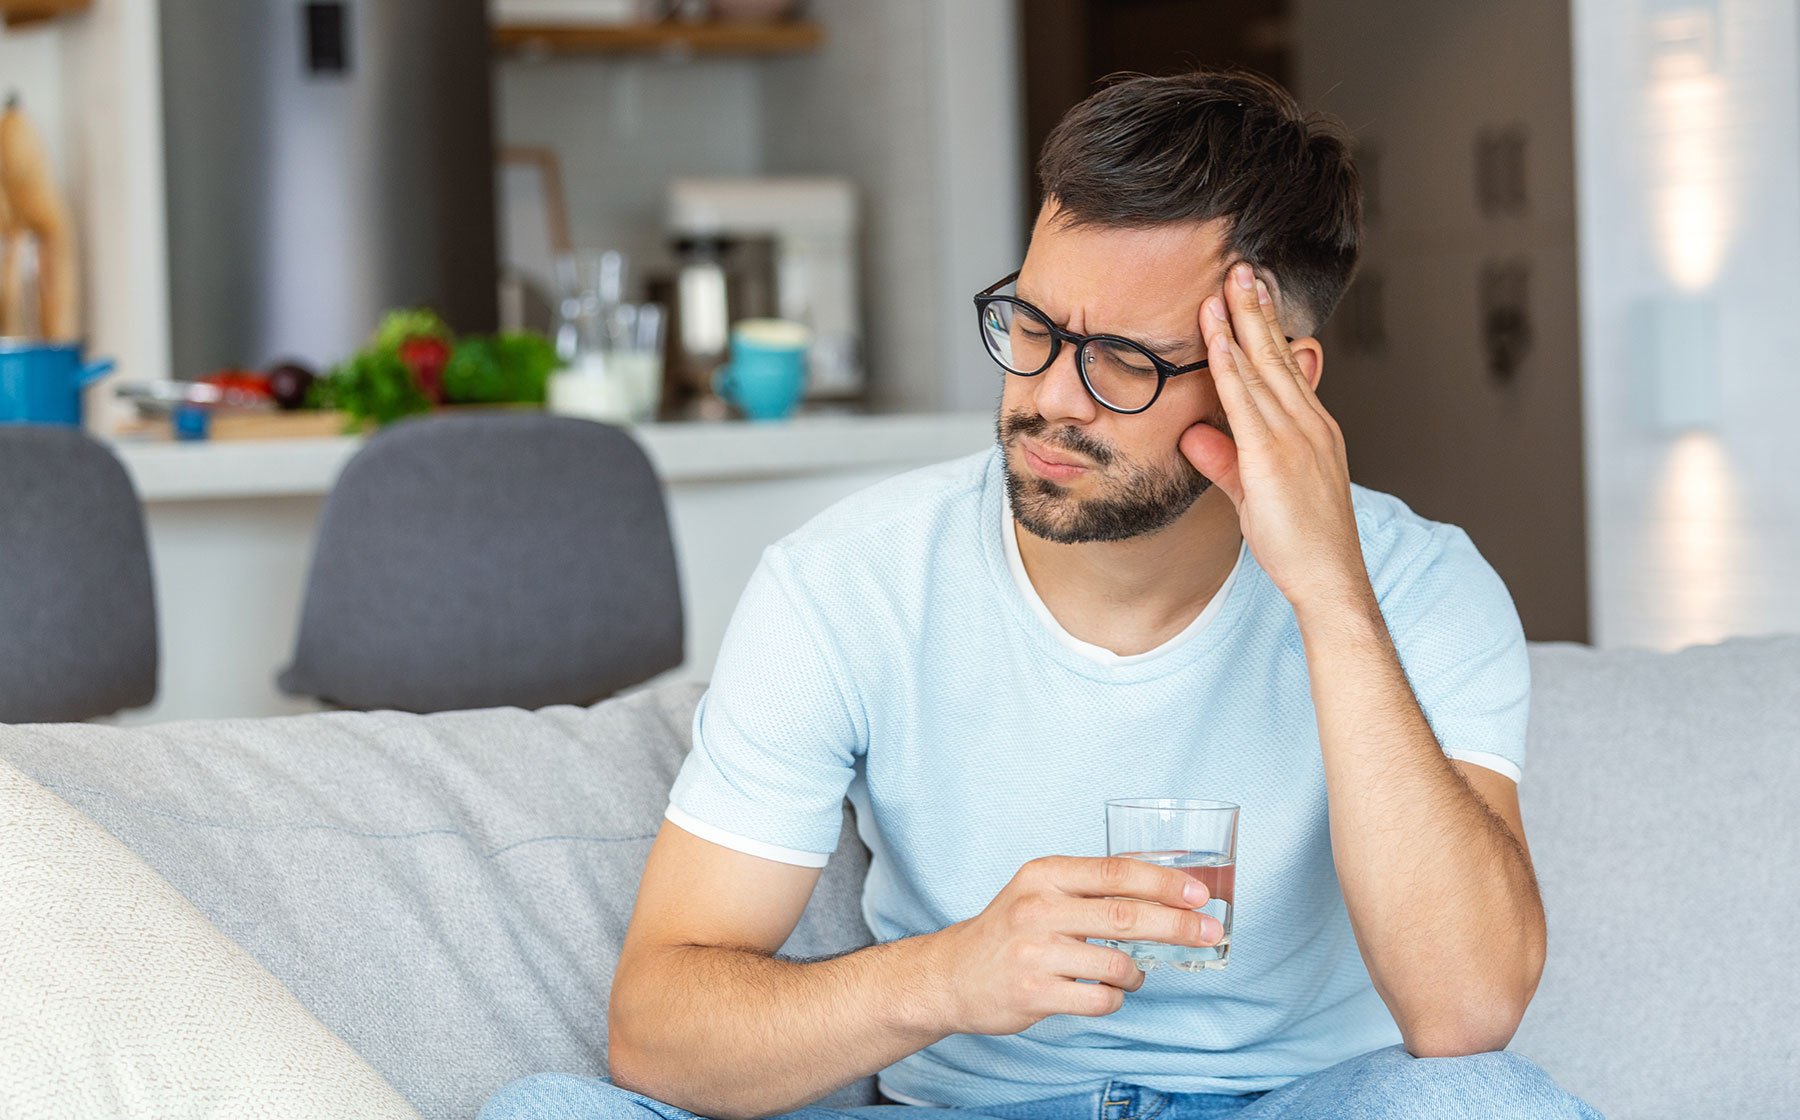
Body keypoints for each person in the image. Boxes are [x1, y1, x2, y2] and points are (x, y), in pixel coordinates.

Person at [481, 69, 1604, 1120]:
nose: (1051, 397)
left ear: (1281, 378)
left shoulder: (1420, 587)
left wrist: (1330, 598)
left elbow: (1466, 1015)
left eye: (1123, 357)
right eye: (1032, 325)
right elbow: (657, 1029)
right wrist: (947, 977)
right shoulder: (849, 582)